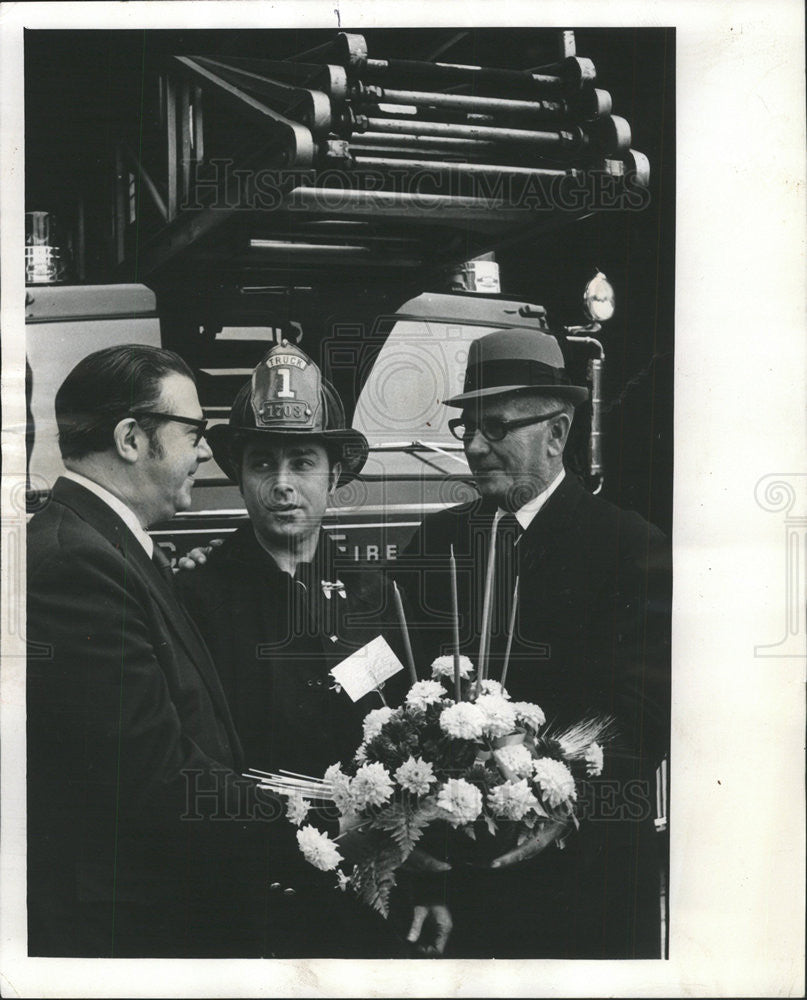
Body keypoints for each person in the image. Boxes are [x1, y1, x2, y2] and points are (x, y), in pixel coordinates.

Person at [395, 325, 671, 958]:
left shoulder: (631, 548)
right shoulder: (437, 543)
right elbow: (387, 671)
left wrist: (565, 806)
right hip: (459, 888)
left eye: (497, 428)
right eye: (466, 428)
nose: (473, 446)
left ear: (558, 434)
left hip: (581, 886)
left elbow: (647, 717)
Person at [176, 341, 452, 957]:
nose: (282, 486)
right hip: (244, 900)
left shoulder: (375, 596)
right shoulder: (195, 597)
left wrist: (431, 878)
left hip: (364, 895)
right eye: (262, 464)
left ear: (335, 476)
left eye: (302, 463)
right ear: (239, 474)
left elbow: (410, 746)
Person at [26, 344, 290, 957]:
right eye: (194, 431)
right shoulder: (78, 563)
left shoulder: (99, 544)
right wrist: (311, 822)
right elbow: (154, 776)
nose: (204, 451)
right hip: (134, 922)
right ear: (130, 438)